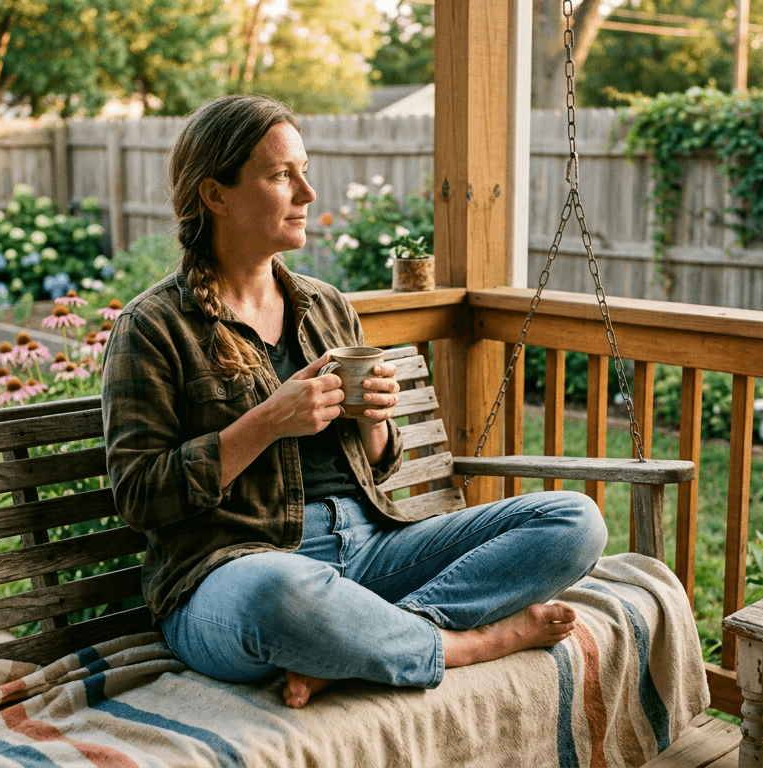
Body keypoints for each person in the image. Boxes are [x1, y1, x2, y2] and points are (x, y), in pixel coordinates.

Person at [102, 94, 606, 709]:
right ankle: (465, 643)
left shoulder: (326, 306)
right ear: (216, 194)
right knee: (281, 597)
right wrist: (267, 422)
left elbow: (381, 465)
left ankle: (360, 641)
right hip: (234, 572)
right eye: (282, 175)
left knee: (574, 522)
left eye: (303, 170)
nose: (308, 193)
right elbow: (139, 496)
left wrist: (374, 423)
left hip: (371, 547)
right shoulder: (154, 327)